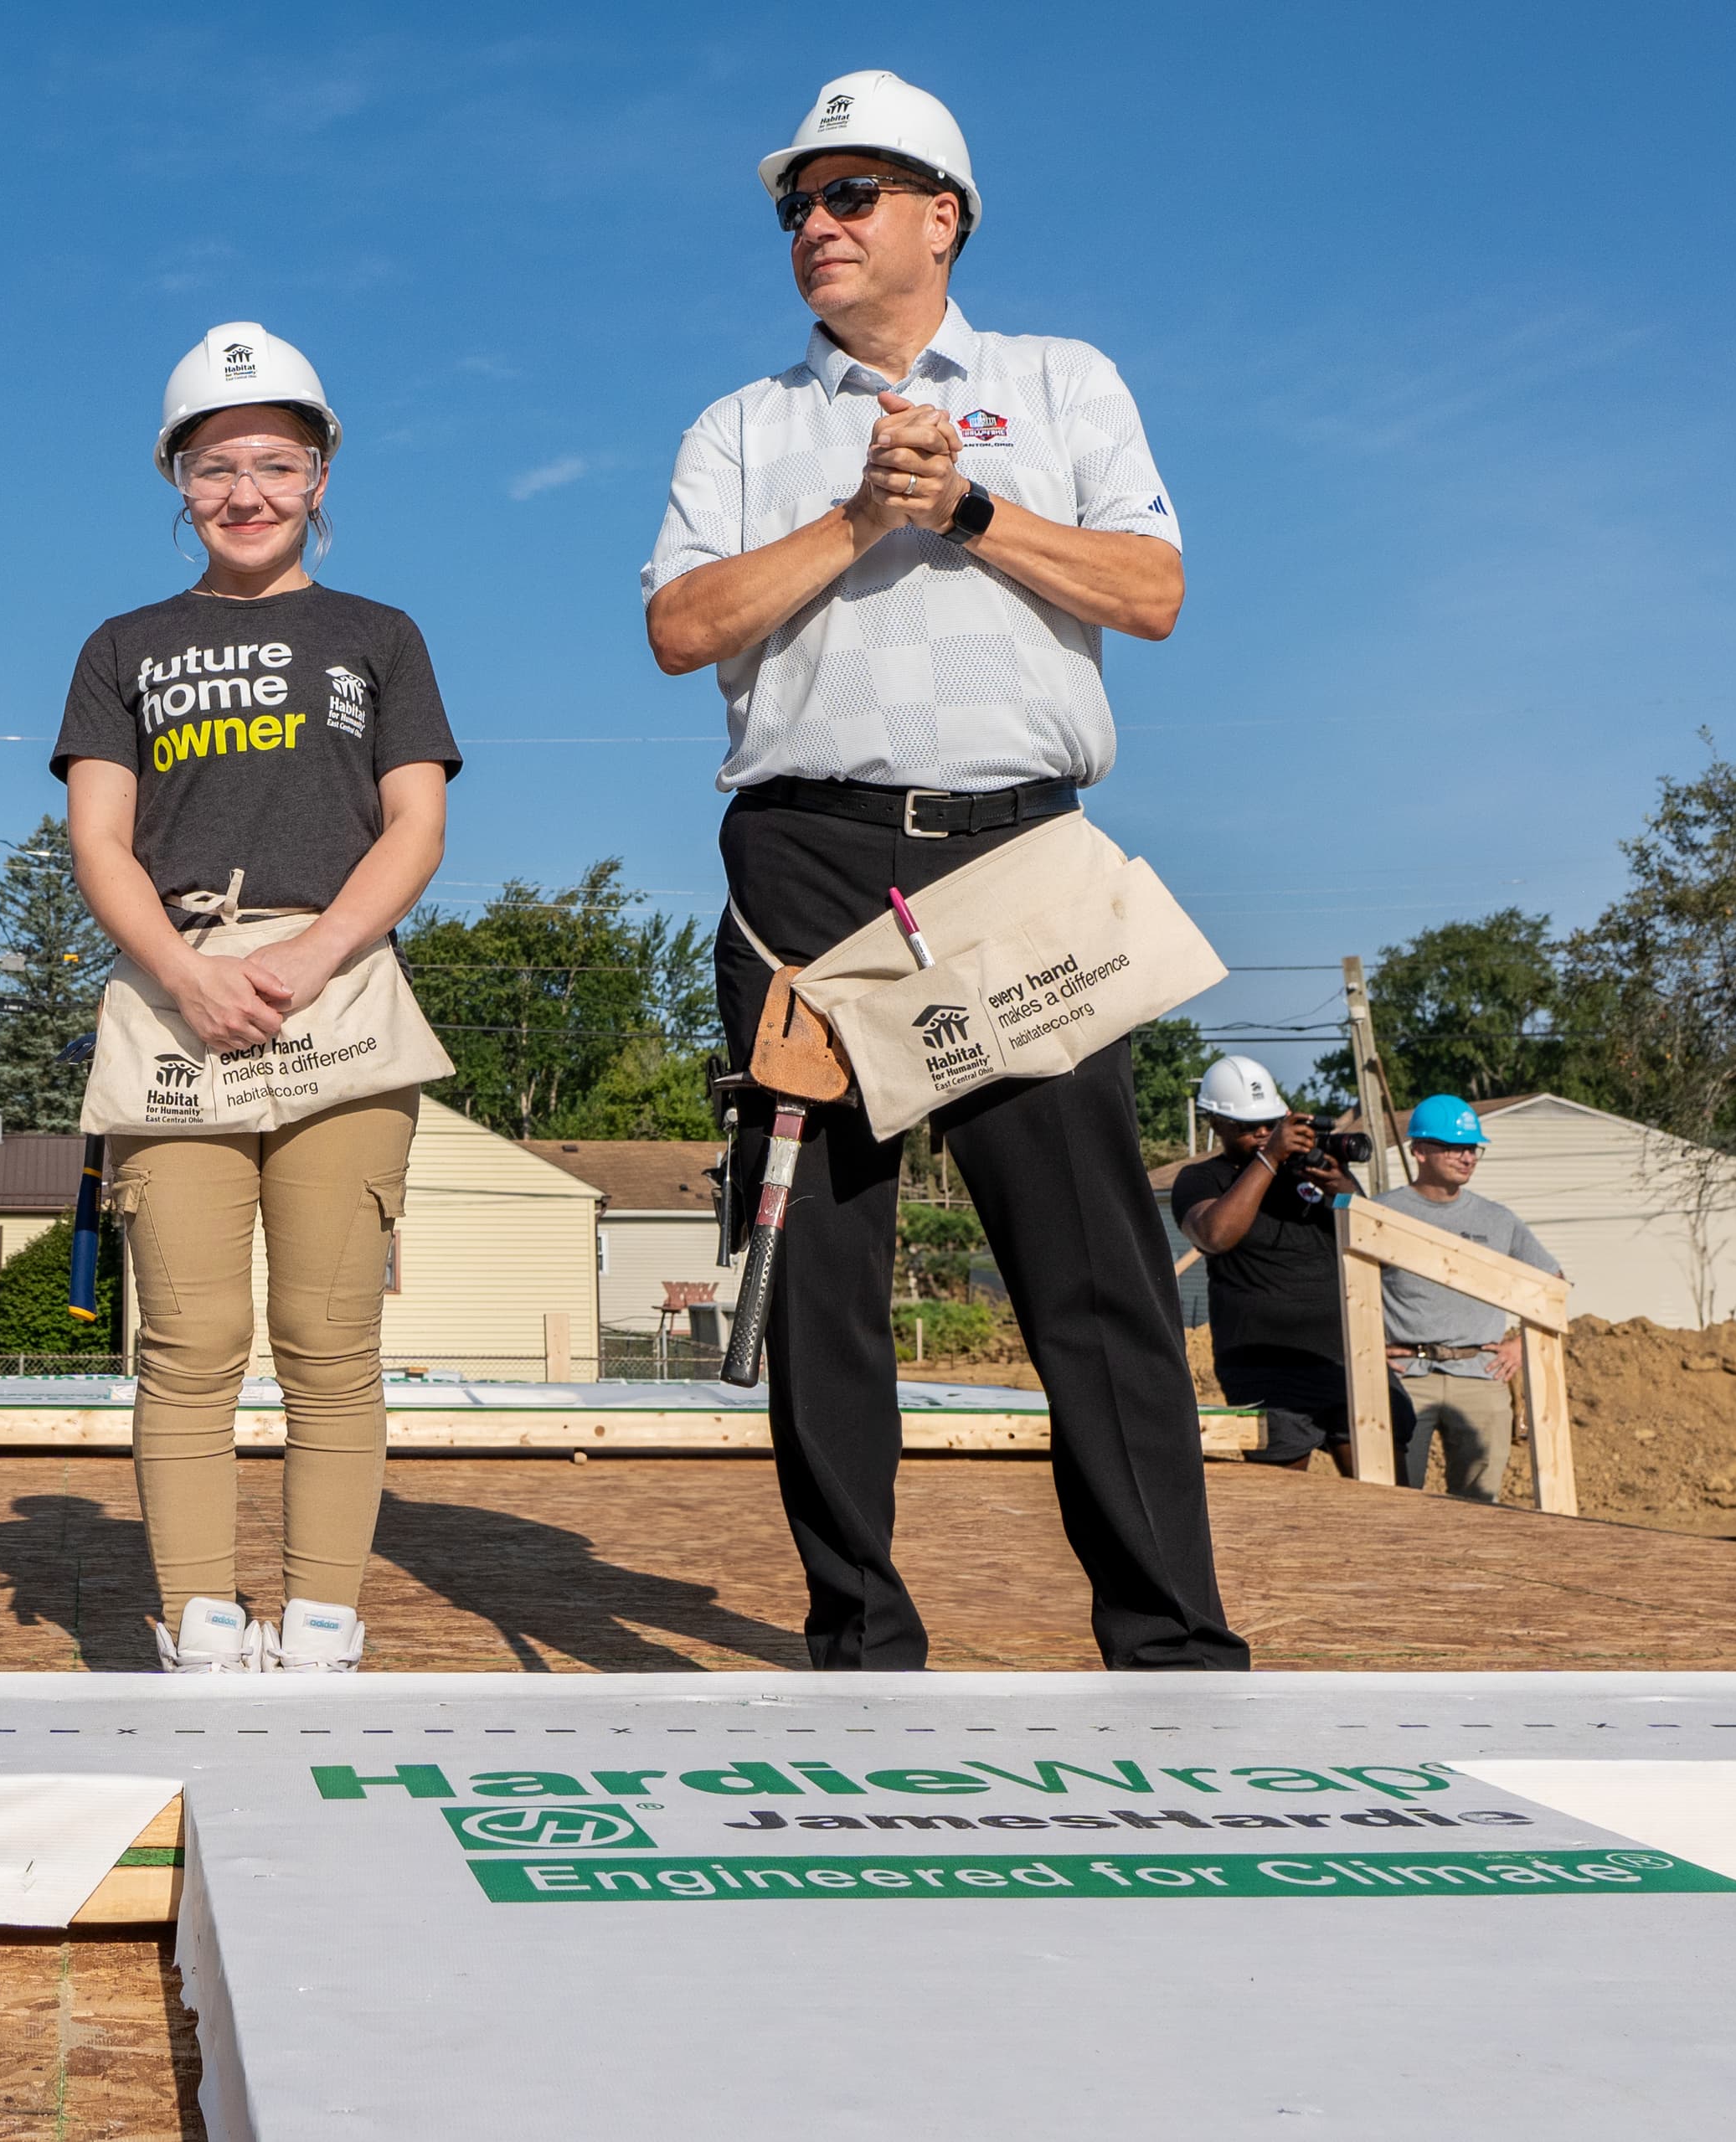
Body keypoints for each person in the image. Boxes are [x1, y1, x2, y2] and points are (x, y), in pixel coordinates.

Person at [641, 70, 1245, 1671]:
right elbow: (680, 627)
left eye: (850, 196)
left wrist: (970, 507)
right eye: (797, 204)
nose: (816, 226)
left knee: (1094, 1270)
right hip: (809, 870)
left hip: (1021, 855)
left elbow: (1156, 588)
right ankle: (860, 1638)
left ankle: (1174, 1642)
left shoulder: (1061, 380)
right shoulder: (747, 424)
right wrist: (858, 515)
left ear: (943, 213)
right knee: (822, 1279)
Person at [53, 322, 457, 1675]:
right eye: (216, 464)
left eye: (276, 463)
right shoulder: (124, 646)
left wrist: (316, 951)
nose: (247, 492)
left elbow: (413, 824)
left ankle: (325, 1618)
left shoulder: (378, 637)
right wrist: (185, 972)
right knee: (191, 1335)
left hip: (337, 1000)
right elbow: (99, 839)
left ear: (322, 472)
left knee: (330, 1336)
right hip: (176, 999)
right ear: (176, 476)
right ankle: (201, 1618)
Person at [1172, 1055, 1362, 1475]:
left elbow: (1371, 1235)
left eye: (1270, 1122)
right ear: (1215, 1122)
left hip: (1342, 1356)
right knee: (1284, 1502)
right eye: (1247, 1127)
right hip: (1263, 1367)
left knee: (1385, 1486)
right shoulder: (1203, 1179)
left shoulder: (1308, 1172)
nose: (1262, 1133)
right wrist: (1270, 1159)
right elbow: (1215, 1235)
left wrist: (1341, 1185)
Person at [1376, 1095, 1562, 1501]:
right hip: (1406, 1377)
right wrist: (1366, 1350)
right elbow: (1348, 1289)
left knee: (1479, 1508)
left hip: (1481, 1375)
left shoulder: (1498, 1221)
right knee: (1395, 1501)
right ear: (1419, 1150)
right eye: (1454, 1147)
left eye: (1472, 1148)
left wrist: (1521, 1344)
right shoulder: (1380, 1214)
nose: (1467, 1157)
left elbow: (1553, 1287)